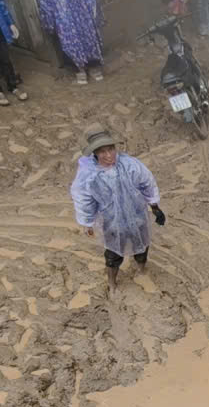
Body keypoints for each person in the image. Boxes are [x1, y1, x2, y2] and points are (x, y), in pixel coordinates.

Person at [70, 124, 166, 293]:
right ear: (94, 153)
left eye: (111, 149)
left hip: (137, 213)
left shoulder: (129, 165)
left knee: (142, 244)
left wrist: (155, 206)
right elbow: (83, 199)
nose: (108, 155)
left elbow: (147, 183)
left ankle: (141, 269)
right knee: (113, 253)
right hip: (111, 220)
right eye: (102, 152)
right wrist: (87, 223)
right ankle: (112, 282)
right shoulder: (89, 174)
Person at [38, 0, 105, 85]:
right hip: (81, 9)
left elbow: (45, 4)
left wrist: (49, 23)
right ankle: (94, 70)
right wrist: (95, 13)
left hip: (63, 11)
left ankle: (82, 73)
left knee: (71, 40)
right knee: (87, 34)